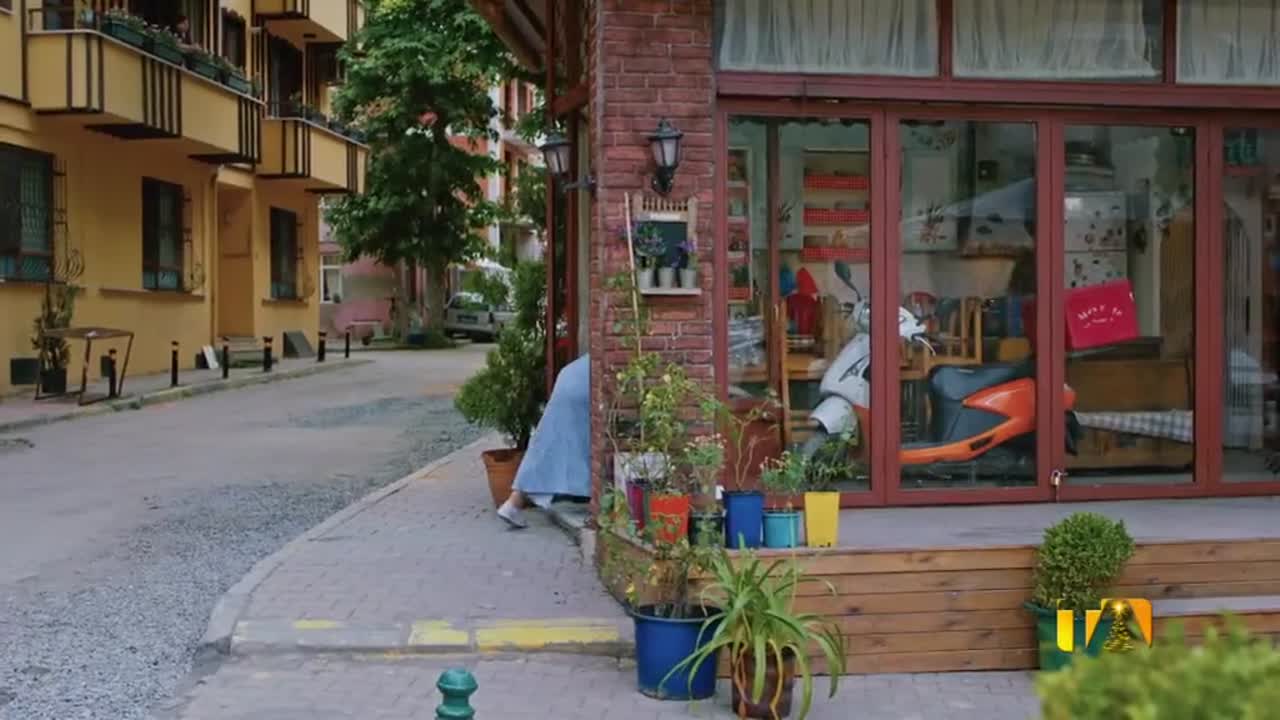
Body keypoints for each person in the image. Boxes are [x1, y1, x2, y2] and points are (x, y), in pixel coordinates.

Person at [497, 353, 591, 528]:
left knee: (546, 443)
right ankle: (514, 503)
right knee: (559, 444)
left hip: (571, 377)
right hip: (584, 383)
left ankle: (514, 502)